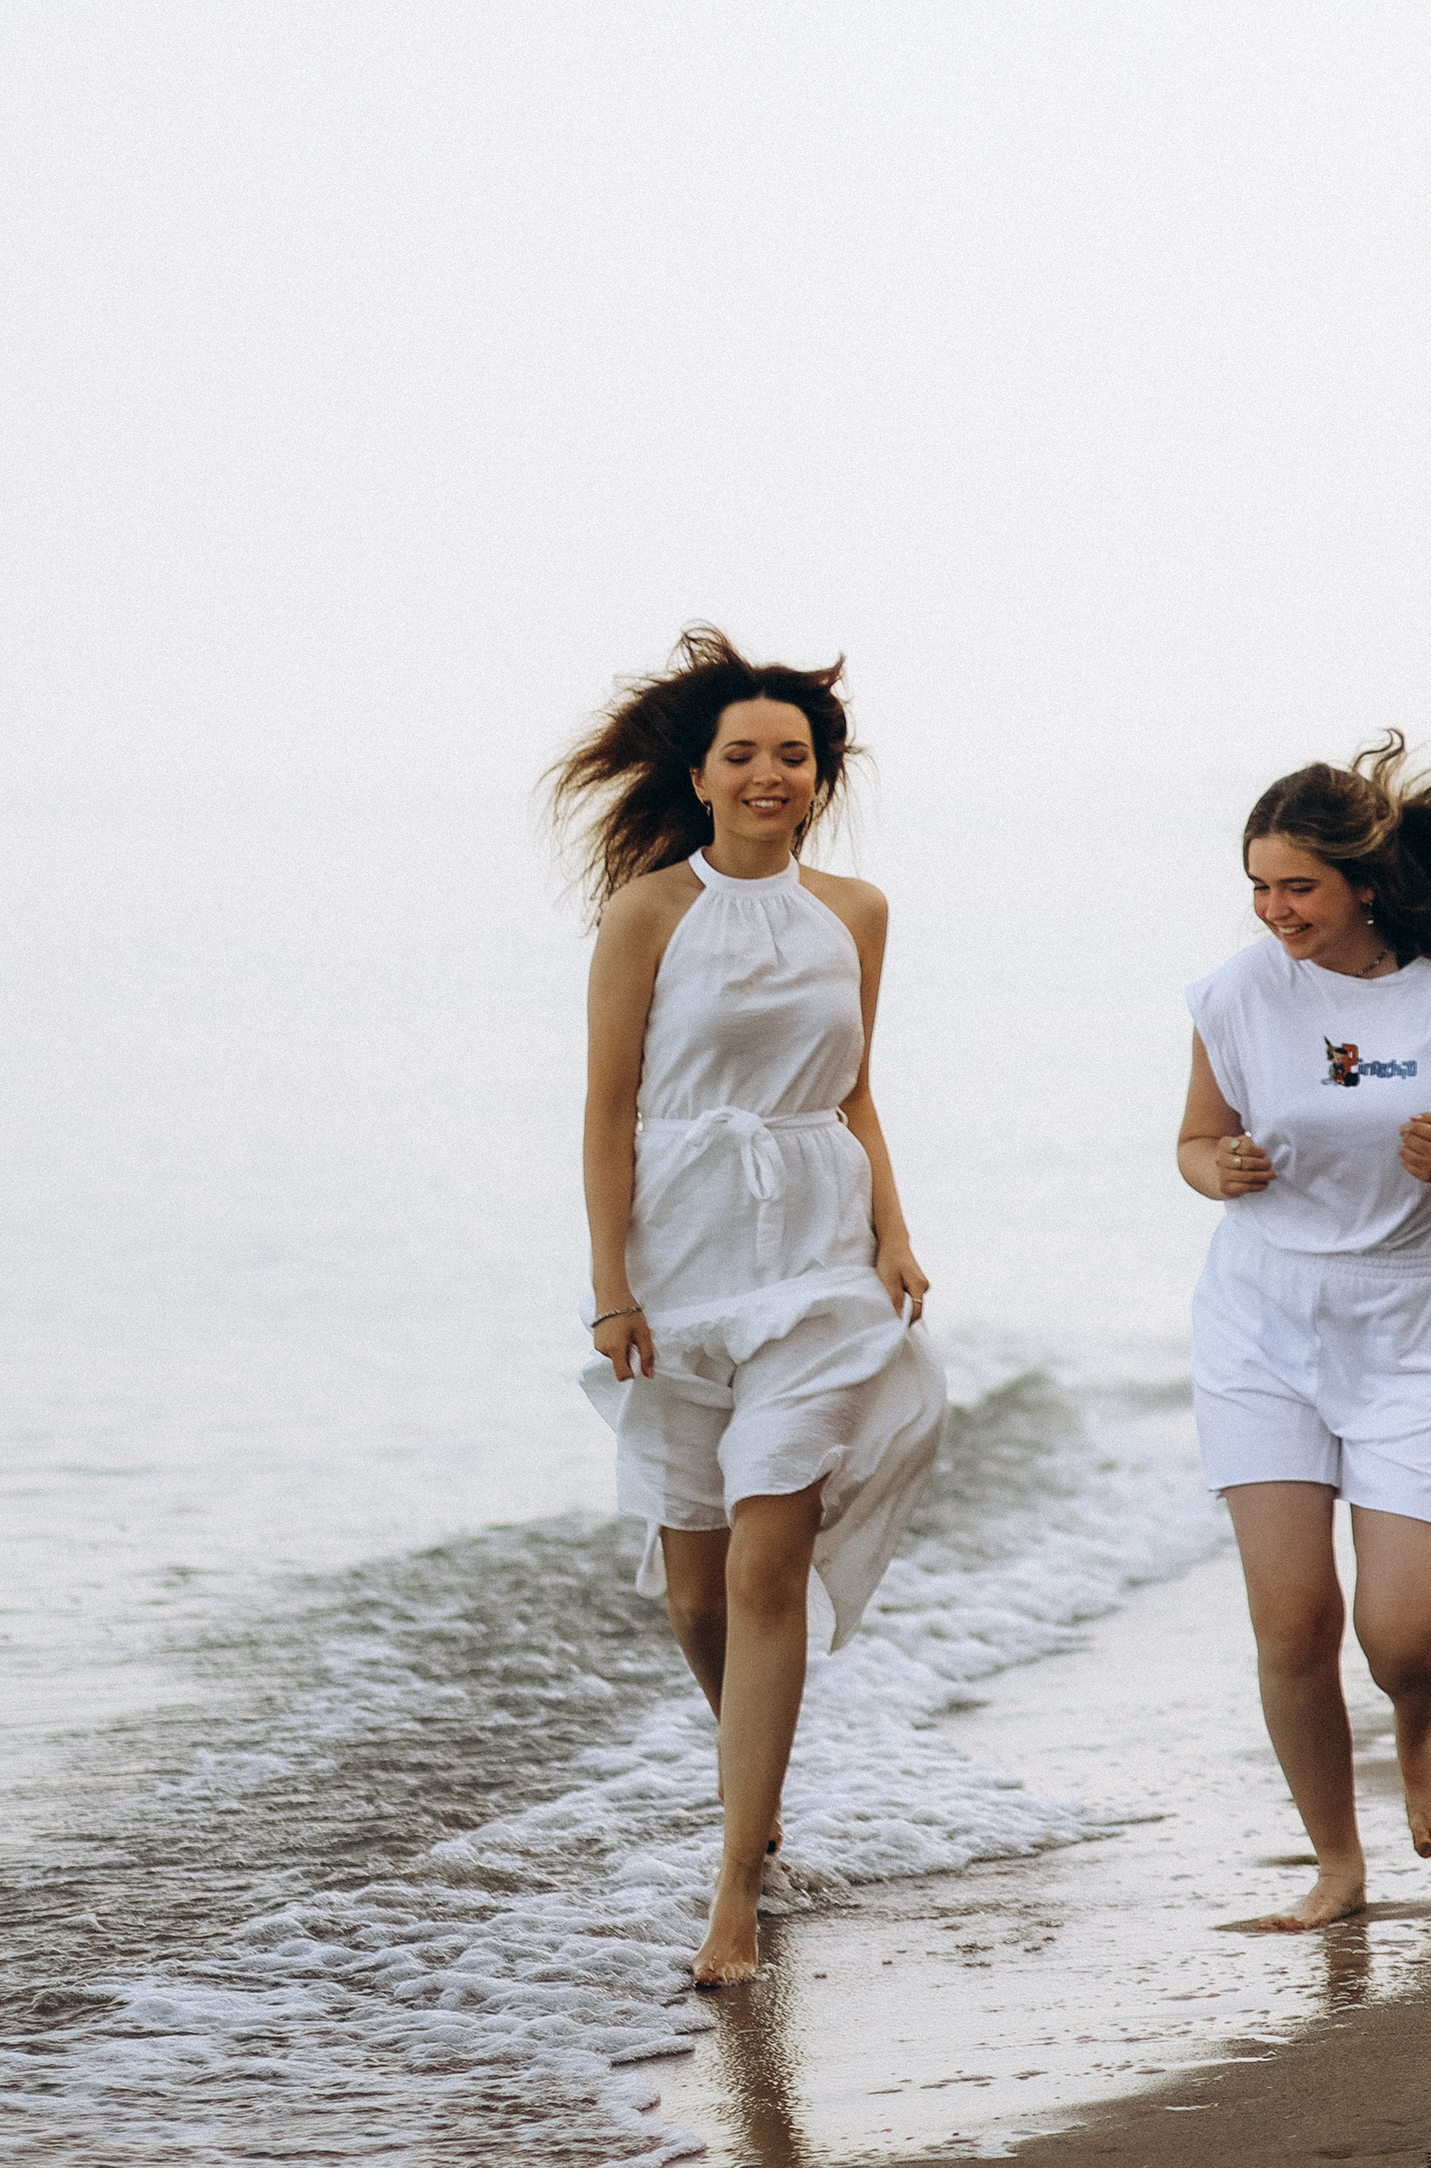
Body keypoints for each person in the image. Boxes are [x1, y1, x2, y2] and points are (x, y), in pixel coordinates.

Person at [559, 626, 945, 1987]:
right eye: (746, 754)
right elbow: (609, 1111)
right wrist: (611, 1291)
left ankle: (736, 1890)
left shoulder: (859, 912)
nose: (771, 772)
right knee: (694, 1586)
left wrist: (894, 1231)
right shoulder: (650, 912)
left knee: (767, 1563)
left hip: (820, 1262)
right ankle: (757, 1787)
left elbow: (853, 1089)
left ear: (819, 776)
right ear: (703, 773)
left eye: (794, 753)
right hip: (683, 1256)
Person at [1178, 737, 1431, 1932]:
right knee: (1290, 1620)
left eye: (1297, 887)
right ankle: (1336, 1864)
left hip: (1412, 1323)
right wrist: (1217, 1169)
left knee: (1397, 1637)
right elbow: (1193, 1143)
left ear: (1362, 887)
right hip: (1261, 1317)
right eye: (1259, 885)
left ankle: (1420, 1724)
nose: (1274, 910)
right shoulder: (1236, 993)